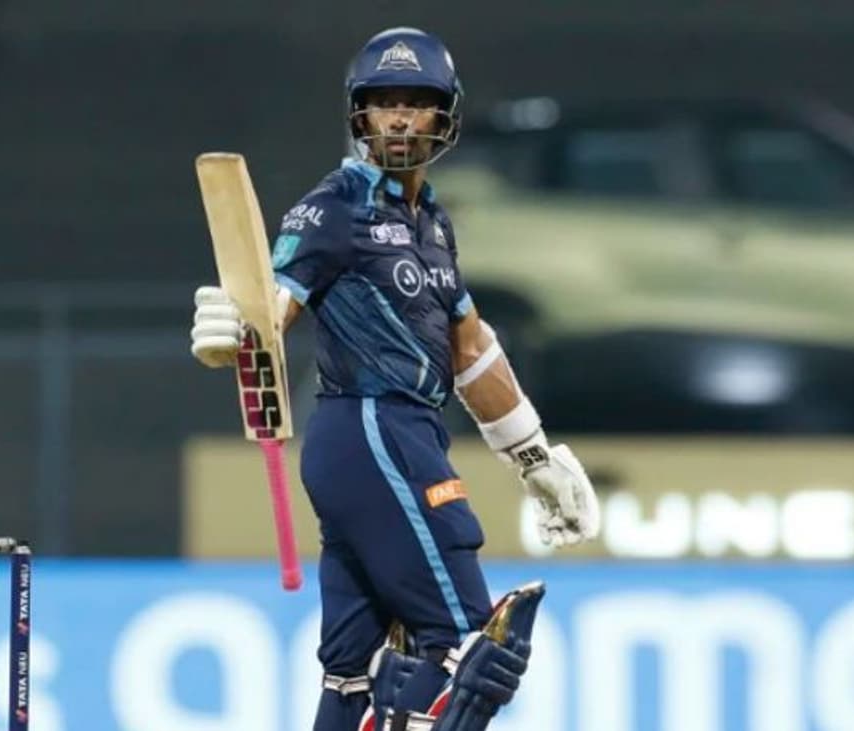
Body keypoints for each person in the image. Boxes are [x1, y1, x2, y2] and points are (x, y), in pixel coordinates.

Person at [190, 26, 600, 731]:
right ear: (360, 114)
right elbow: (271, 307)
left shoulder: (433, 223)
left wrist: (534, 457)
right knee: (471, 647)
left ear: (447, 115)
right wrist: (232, 328)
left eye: (417, 102)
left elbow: (469, 346)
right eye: (385, 103)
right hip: (373, 429)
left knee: (352, 671)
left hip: (395, 437)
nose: (401, 119)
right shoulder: (332, 209)